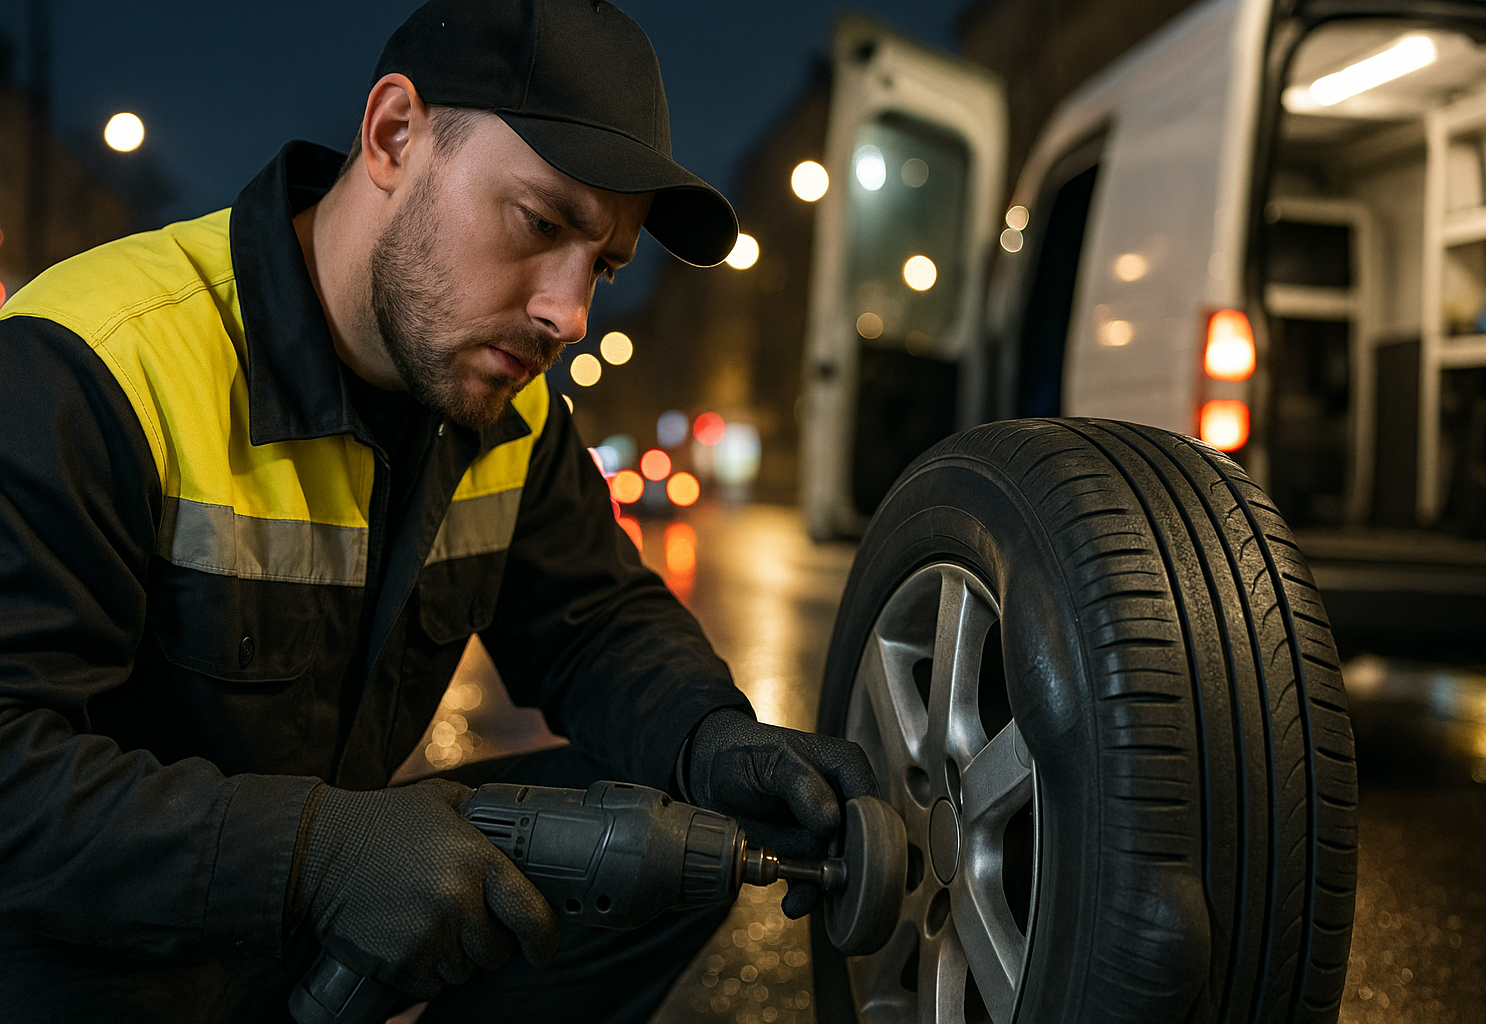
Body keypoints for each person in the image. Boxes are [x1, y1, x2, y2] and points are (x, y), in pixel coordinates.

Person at [0, 1, 877, 1020]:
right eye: (540, 223)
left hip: (305, 937)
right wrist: (314, 855)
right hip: (87, 959)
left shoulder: (505, 405)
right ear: (392, 136)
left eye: (601, 265)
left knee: (681, 836)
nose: (569, 314)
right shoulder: (93, 366)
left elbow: (596, 622)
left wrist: (712, 739)